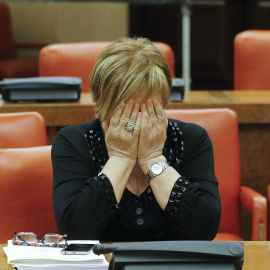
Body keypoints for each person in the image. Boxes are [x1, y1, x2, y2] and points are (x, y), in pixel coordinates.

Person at [52, 37, 221, 242]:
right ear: (102, 105)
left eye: (147, 108)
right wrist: (122, 157)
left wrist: (153, 158)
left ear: (164, 102)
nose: (138, 120)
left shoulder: (192, 139)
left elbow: (204, 231)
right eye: (127, 110)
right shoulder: (73, 141)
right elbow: (76, 232)